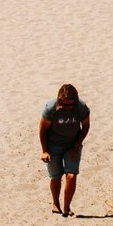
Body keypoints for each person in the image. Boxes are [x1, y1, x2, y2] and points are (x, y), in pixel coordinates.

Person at [38, 83, 90, 218]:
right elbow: (42, 129)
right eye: (65, 105)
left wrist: (77, 145)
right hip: (53, 145)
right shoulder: (51, 108)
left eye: (70, 105)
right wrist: (45, 150)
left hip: (72, 144)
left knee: (71, 176)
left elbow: (85, 126)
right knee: (55, 177)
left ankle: (67, 208)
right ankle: (55, 203)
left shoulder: (81, 108)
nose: (68, 107)